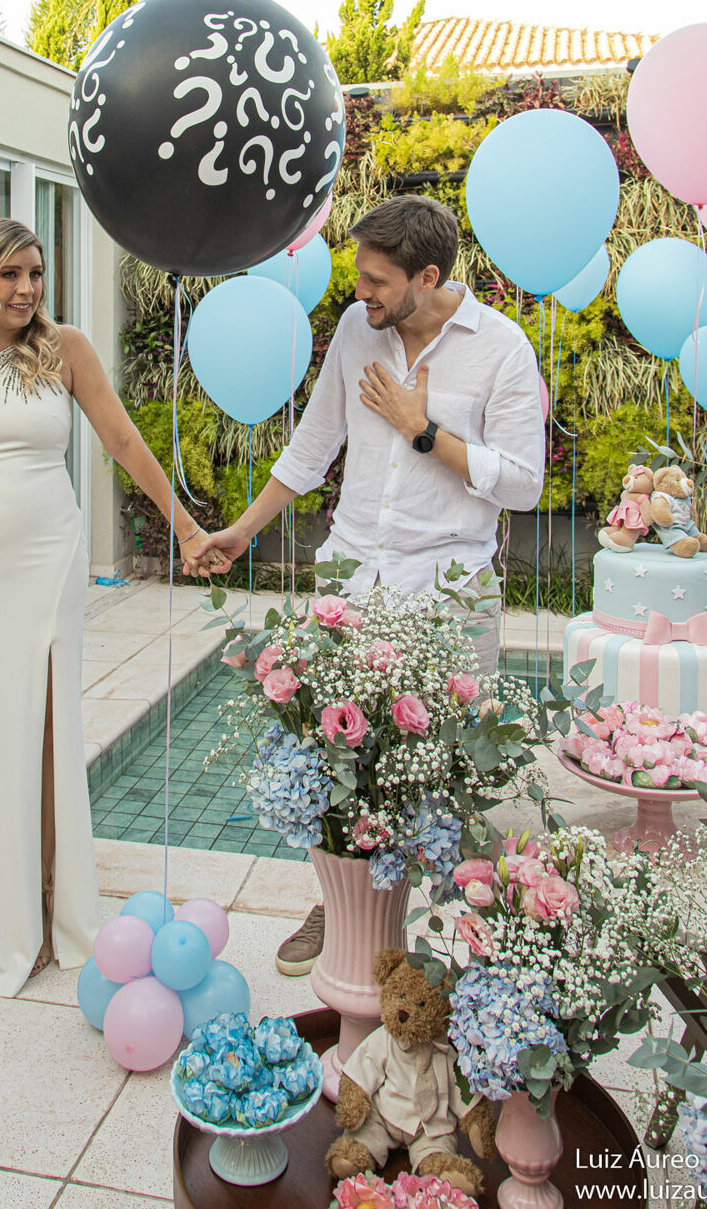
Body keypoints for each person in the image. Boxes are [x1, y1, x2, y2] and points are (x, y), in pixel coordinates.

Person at [193, 195, 545, 974]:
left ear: (428, 276)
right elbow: (315, 441)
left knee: (439, 770)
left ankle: (434, 934)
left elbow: (522, 485)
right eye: (359, 277)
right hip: (354, 572)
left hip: (445, 590)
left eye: (378, 281)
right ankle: (340, 900)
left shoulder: (502, 349)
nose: (361, 293)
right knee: (336, 751)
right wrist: (242, 531)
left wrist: (425, 432)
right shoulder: (359, 331)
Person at [0, 219, 228, 997]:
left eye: (35, 273)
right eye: (9, 275)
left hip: (46, 558)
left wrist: (184, 526)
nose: (26, 289)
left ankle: (44, 903)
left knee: (41, 724)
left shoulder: (65, 348)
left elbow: (121, 441)